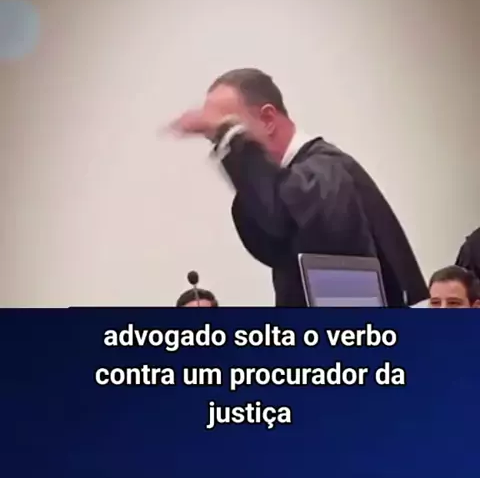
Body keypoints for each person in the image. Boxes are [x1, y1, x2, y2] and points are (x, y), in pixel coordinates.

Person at [169, 68, 427, 307]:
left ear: (268, 119)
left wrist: (233, 139)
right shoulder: (299, 183)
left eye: (231, 130)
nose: (225, 146)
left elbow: (347, 303)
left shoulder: (326, 174)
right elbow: (270, 232)